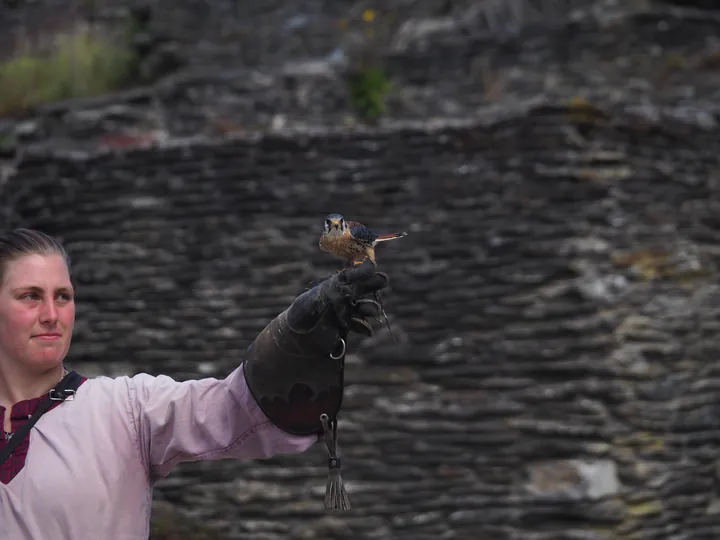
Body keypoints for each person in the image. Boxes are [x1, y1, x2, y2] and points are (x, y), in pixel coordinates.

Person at [0, 228, 390, 539]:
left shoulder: (124, 410)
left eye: (63, 296)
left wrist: (295, 343)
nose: (52, 314)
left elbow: (231, 409)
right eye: (30, 296)